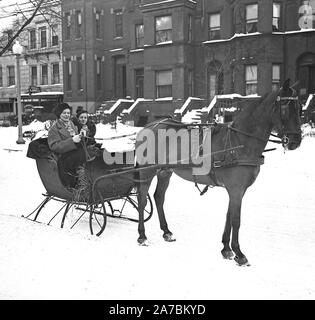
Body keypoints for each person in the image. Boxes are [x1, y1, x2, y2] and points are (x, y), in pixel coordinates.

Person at [47, 102, 86, 188]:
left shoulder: (71, 124)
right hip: (64, 157)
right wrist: (72, 141)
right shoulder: (54, 129)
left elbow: (76, 137)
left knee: (90, 151)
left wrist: (81, 136)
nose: (67, 115)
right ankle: (76, 184)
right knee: (82, 155)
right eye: (64, 113)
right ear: (59, 114)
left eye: (68, 113)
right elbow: (55, 146)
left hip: (74, 152)